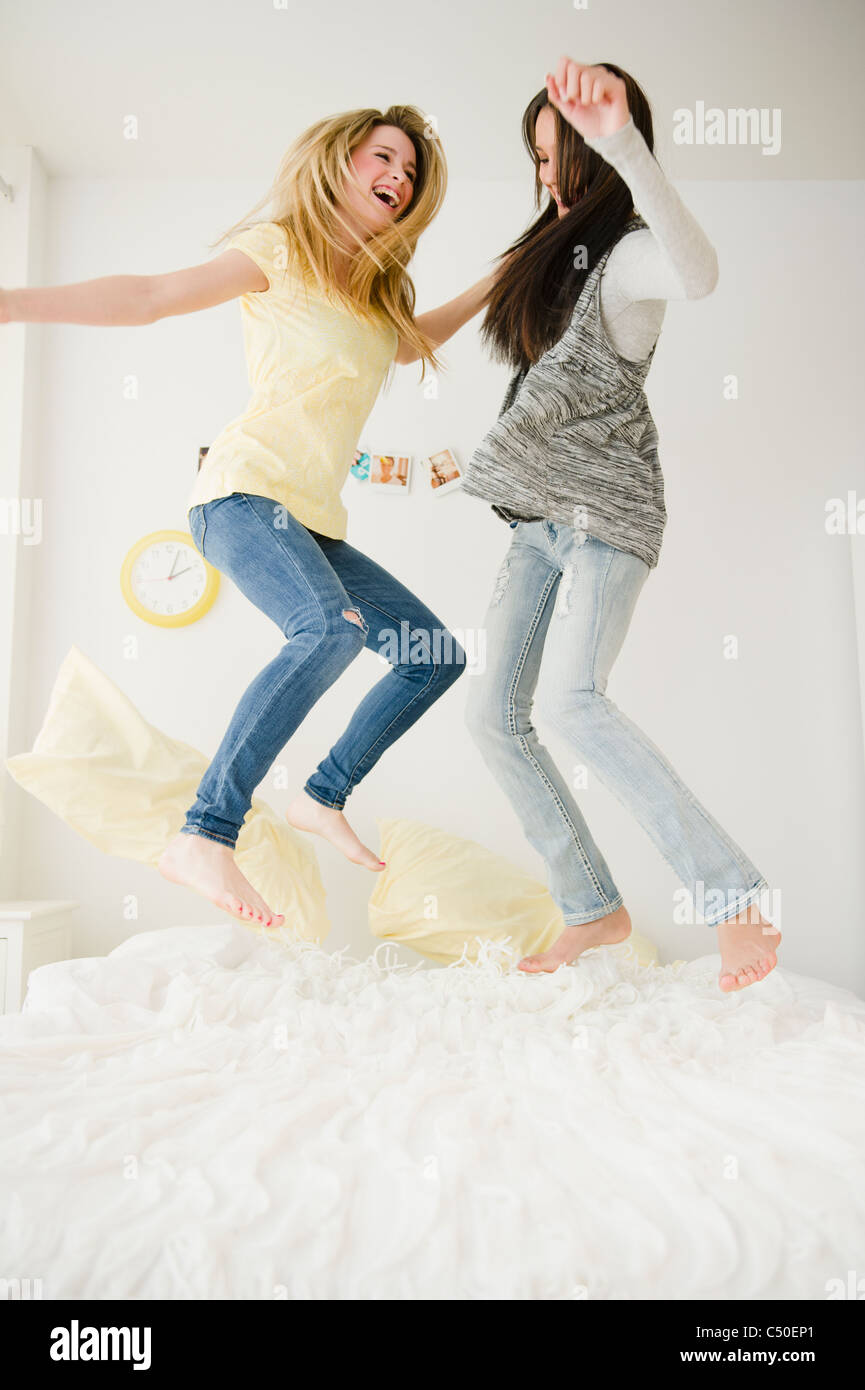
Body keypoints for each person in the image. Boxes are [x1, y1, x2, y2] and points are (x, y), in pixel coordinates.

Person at [1, 105, 496, 931]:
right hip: (240, 493)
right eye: (385, 159)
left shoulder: (379, 294)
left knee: (432, 656)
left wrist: (504, 276)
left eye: (410, 173)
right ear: (340, 166)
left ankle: (322, 794)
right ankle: (205, 832)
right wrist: (11, 303)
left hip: (312, 520)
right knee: (330, 629)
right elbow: (151, 296)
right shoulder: (279, 250)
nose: (399, 180)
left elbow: (414, 341)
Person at [461, 58, 781, 993]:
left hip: (607, 510)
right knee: (491, 714)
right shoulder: (541, 269)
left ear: (601, 157)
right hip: (535, 518)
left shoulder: (632, 254)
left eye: (564, 157)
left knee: (571, 700)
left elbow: (702, 272)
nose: (549, 178)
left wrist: (623, 145)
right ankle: (591, 908)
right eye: (537, 159)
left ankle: (735, 899)